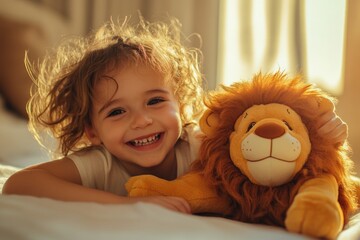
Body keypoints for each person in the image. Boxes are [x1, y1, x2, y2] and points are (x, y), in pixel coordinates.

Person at [2, 16, 348, 214]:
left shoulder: (197, 144)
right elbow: (18, 184)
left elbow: (267, 153)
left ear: (180, 105)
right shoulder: (100, 163)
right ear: (93, 132)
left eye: (154, 102)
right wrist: (125, 205)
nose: (142, 121)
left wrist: (321, 131)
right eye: (118, 111)